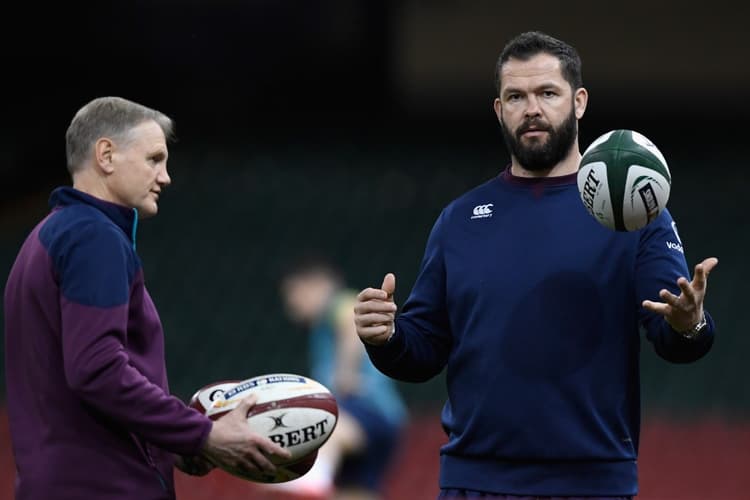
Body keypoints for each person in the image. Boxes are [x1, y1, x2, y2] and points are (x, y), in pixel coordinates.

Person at [353, 31, 718, 500]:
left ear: (579, 101)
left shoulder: (634, 210)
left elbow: (675, 334)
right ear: (498, 109)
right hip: (474, 482)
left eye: (547, 93)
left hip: (592, 484)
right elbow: (423, 349)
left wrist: (691, 323)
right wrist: (386, 337)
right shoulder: (461, 219)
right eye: (516, 97)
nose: (532, 109)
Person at [3, 96, 291, 500]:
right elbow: (97, 370)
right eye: (154, 159)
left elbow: (76, 392)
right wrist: (202, 434)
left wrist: (173, 442)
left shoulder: (45, 238)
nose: (166, 176)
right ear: (106, 154)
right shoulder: (93, 236)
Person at [274, 255, 408, 500]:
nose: (291, 304)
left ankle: (314, 477)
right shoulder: (319, 329)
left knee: (324, 424)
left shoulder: (339, 302)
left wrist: (346, 372)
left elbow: (350, 322)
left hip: (365, 410)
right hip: (378, 422)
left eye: (294, 294)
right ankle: (318, 477)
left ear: (315, 283)